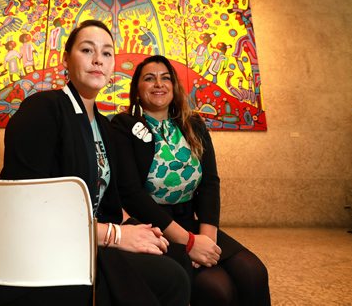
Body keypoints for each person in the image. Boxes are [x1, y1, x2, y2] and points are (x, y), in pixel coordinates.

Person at [0, 22, 190, 306]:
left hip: (84, 244)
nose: (97, 60)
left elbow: (106, 204)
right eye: (87, 50)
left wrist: (136, 229)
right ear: (65, 59)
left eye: (106, 53)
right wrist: (114, 235)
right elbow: (23, 208)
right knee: (169, 279)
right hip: (39, 254)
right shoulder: (42, 109)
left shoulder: (105, 126)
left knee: (175, 258)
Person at [111, 55, 271, 306]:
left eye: (165, 78)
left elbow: (209, 183)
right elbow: (131, 193)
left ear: (174, 86)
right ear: (137, 90)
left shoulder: (193, 123)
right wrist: (189, 243)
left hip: (192, 221)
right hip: (154, 227)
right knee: (218, 290)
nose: (158, 84)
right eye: (149, 79)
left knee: (254, 273)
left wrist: (206, 238)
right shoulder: (123, 125)